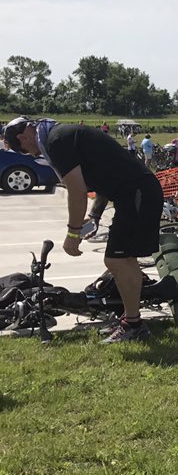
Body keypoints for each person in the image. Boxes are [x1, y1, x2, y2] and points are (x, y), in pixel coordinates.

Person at [3, 117, 164, 343]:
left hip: (136, 194)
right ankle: (131, 321)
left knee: (118, 260)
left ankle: (133, 325)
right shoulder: (62, 134)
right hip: (136, 192)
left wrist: (72, 234)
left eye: (26, 151)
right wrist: (96, 215)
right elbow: (106, 174)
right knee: (123, 260)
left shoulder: (56, 142)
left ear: (23, 137)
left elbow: (76, 190)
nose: (32, 155)